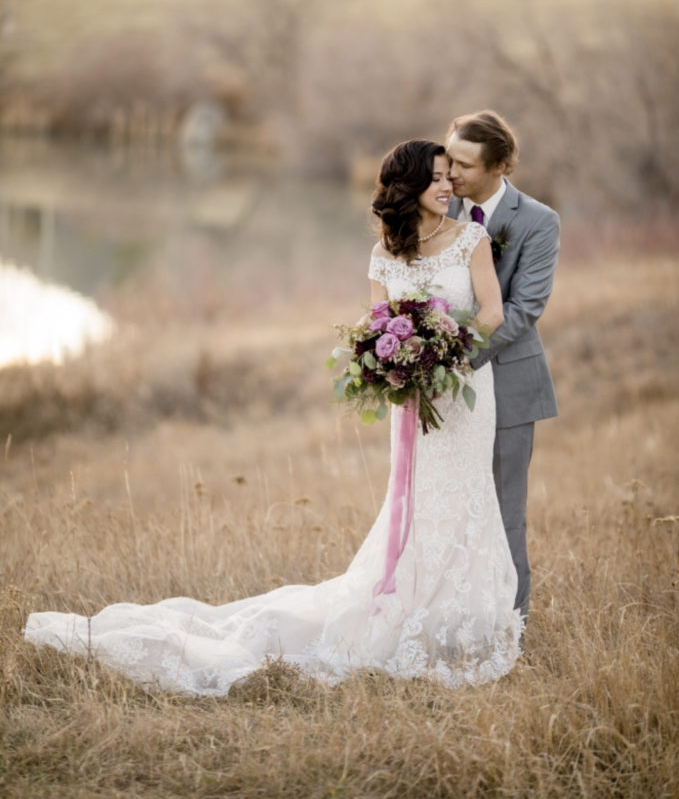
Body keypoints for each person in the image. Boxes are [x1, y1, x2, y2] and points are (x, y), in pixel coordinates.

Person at [24, 140, 522, 695]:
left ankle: (461, 616)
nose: (447, 185)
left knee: (465, 495)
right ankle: (407, 604)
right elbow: (378, 322)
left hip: (465, 391)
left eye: (449, 175)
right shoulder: (386, 253)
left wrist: (446, 353)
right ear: (407, 187)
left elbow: (493, 312)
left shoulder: (472, 239)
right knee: (417, 498)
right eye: (434, 178)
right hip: (412, 400)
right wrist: (397, 362)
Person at [446, 111, 560, 620]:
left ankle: (510, 625)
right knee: (448, 507)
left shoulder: (538, 221)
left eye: (464, 164)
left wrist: (453, 359)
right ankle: (451, 615)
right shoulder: (439, 209)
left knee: (504, 510)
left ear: (500, 165)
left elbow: (523, 310)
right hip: (442, 390)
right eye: (448, 158)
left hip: (509, 381)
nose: (450, 173)